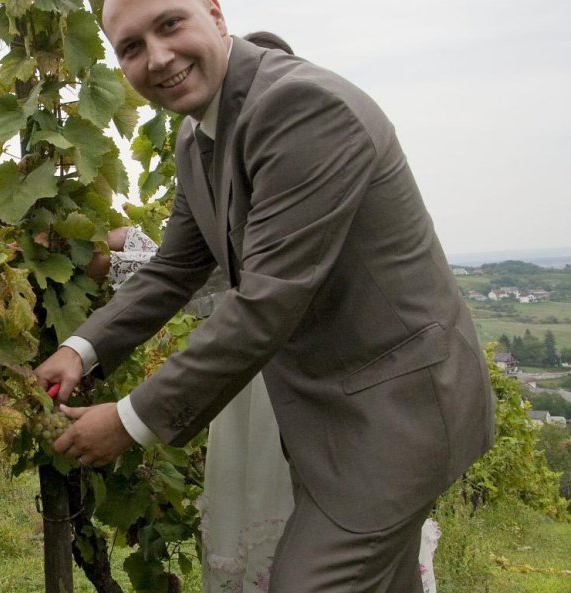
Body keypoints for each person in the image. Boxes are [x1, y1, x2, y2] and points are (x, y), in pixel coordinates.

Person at [35, 2, 496, 592]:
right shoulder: (197, 134)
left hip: (397, 414)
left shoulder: (299, 106)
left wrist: (130, 421)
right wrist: (81, 348)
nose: (157, 57)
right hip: (340, 415)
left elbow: (266, 303)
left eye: (170, 24)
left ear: (215, 14)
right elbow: (174, 268)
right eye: (130, 47)